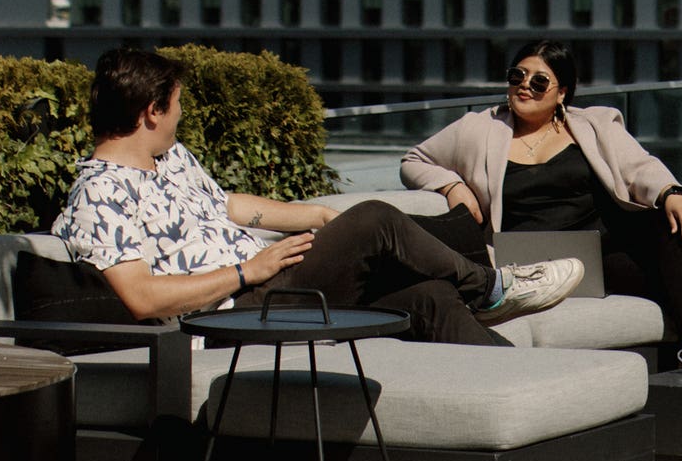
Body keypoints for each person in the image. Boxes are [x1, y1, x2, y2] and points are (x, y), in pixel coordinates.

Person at [53, 45, 582, 343]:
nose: (181, 114)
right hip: (233, 313)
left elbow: (230, 205)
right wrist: (247, 271)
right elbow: (141, 298)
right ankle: (492, 286)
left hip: (272, 288)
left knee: (428, 299)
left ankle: (531, 392)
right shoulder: (100, 192)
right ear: (150, 112)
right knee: (374, 217)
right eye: (176, 104)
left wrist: (319, 216)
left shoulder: (170, 159)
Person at [399, 39, 682, 363]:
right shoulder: (478, 128)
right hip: (532, 261)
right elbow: (413, 160)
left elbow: (639, 165)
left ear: (562, 93)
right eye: (517, 76)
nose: (525, 85)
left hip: (602, 253)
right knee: (674, 284)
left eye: (539, 81)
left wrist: (671, 193)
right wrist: (451, 186)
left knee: (675, 229)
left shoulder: (592, 125)